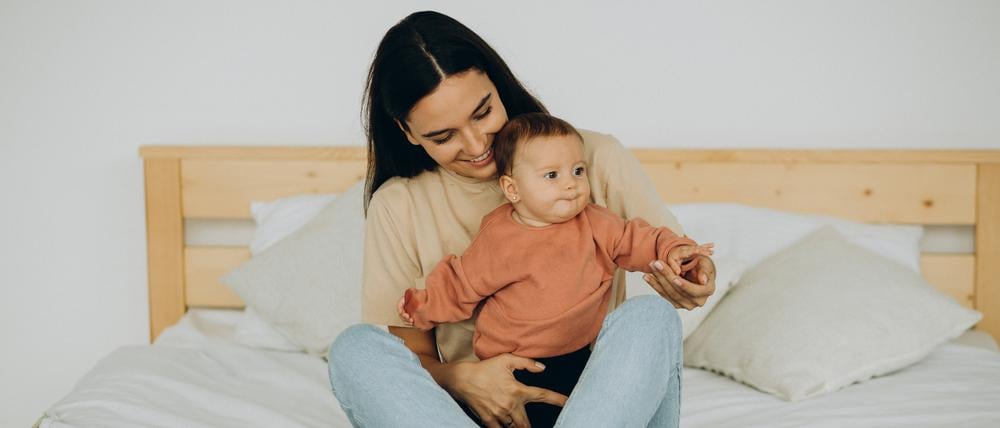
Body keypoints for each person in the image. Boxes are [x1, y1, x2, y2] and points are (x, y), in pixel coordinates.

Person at [328, 10, 717, 428]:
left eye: (483, 113)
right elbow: (412, 355)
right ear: (407, 132)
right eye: (444, 136)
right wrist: (464, 379)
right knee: (356, 349)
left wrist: (691, 271)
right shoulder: (399, 205)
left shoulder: (589, 158)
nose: (478, 145)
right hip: (479, 413)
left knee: (651, 317)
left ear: (498, 85)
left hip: (597, 404)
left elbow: (664, 251)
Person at [396, 113, 714, 427]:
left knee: (642, 325)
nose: (571, 185)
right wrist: (423, 306)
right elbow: (460, 284)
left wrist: (675, 251)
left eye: (578, 171)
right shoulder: (499, 238)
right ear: (512, 189)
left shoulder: (596, 223)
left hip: (582, 360)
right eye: (552, 176)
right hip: (513, 370)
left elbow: (641, 240)